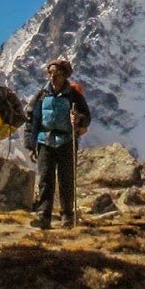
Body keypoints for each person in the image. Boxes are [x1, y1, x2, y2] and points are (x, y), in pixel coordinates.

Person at [25, 58, 91, 229]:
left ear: (64, 75)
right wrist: (31, 145)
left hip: (67, 141)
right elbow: (32, 119)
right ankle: (43, 215)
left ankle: (67, 215)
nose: (52, 76)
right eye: (50, 73)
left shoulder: (74, 96)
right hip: (45, 140)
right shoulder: (41, 95)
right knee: (46, 179)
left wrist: (79, 119)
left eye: (57, 73)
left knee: (66, 179)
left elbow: (86, 117)